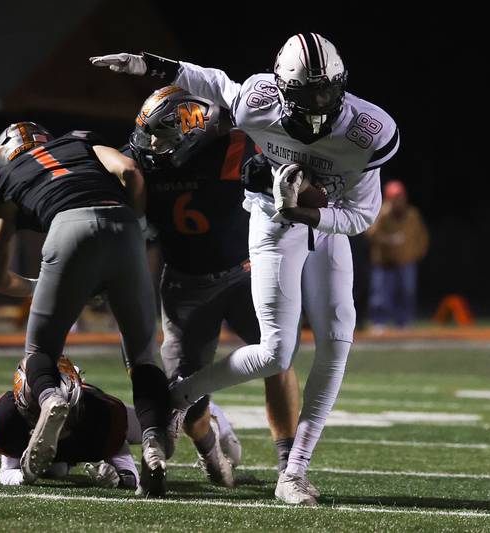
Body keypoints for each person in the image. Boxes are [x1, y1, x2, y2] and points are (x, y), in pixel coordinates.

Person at [91, 32, 399, 505]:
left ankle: (293, 472)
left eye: (326, 90)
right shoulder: (259, 102)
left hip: (326, 222)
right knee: (277, 352)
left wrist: (308, 212)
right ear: (282, 91)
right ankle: (180, 396)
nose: (318, 101)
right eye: (306, 93)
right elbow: (211, 82)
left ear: (341, 85)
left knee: (337, 341)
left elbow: (360, 218)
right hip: (273, 219)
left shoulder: (367, 130)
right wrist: (149, 65)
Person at [0, 123, 171, 497]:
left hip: (68, 229)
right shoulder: (78, 141)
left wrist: (49, 286)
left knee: (40, 352)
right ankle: (152, 444)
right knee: (144, 357)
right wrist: (139, 225)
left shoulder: (3, 177)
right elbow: (130, 171)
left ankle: (50, 400)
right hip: (125, 227)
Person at [125, 86, 302, 486]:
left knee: (280, 355)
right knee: (183, 395)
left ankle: (290, 464)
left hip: (246, 273)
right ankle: (210, 449)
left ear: (191, 132)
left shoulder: (234, 147)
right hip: (186, 283)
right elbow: (118, 162)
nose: (152, 144)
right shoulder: (142, 161)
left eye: (163, 135)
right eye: (149, 133)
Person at [0, 355, 139, 489]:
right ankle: (61, 463)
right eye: (45, 414)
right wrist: (23, 476)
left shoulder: (98, 413)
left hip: (92, 409)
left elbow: (126, 465)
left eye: (67, 411)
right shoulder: (8, 419)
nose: (60, 423)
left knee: (157, 429)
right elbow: (7, 472)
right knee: (53, 470)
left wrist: (121, 477)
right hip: (65, 451)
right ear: (23, 407)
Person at [366, 180, 428, 329]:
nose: (398, 200)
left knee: (407, 292)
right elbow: (370, 233)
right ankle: (379, 322)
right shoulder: (382, 213)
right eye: (394, 197)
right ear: (388, 198)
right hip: (384, 262)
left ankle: (404, 322)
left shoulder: (412, 214)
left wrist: (417, 254)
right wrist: (388, 240)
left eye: (400, 196)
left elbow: (422, 237)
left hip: (406, 261)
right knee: (380, 295)